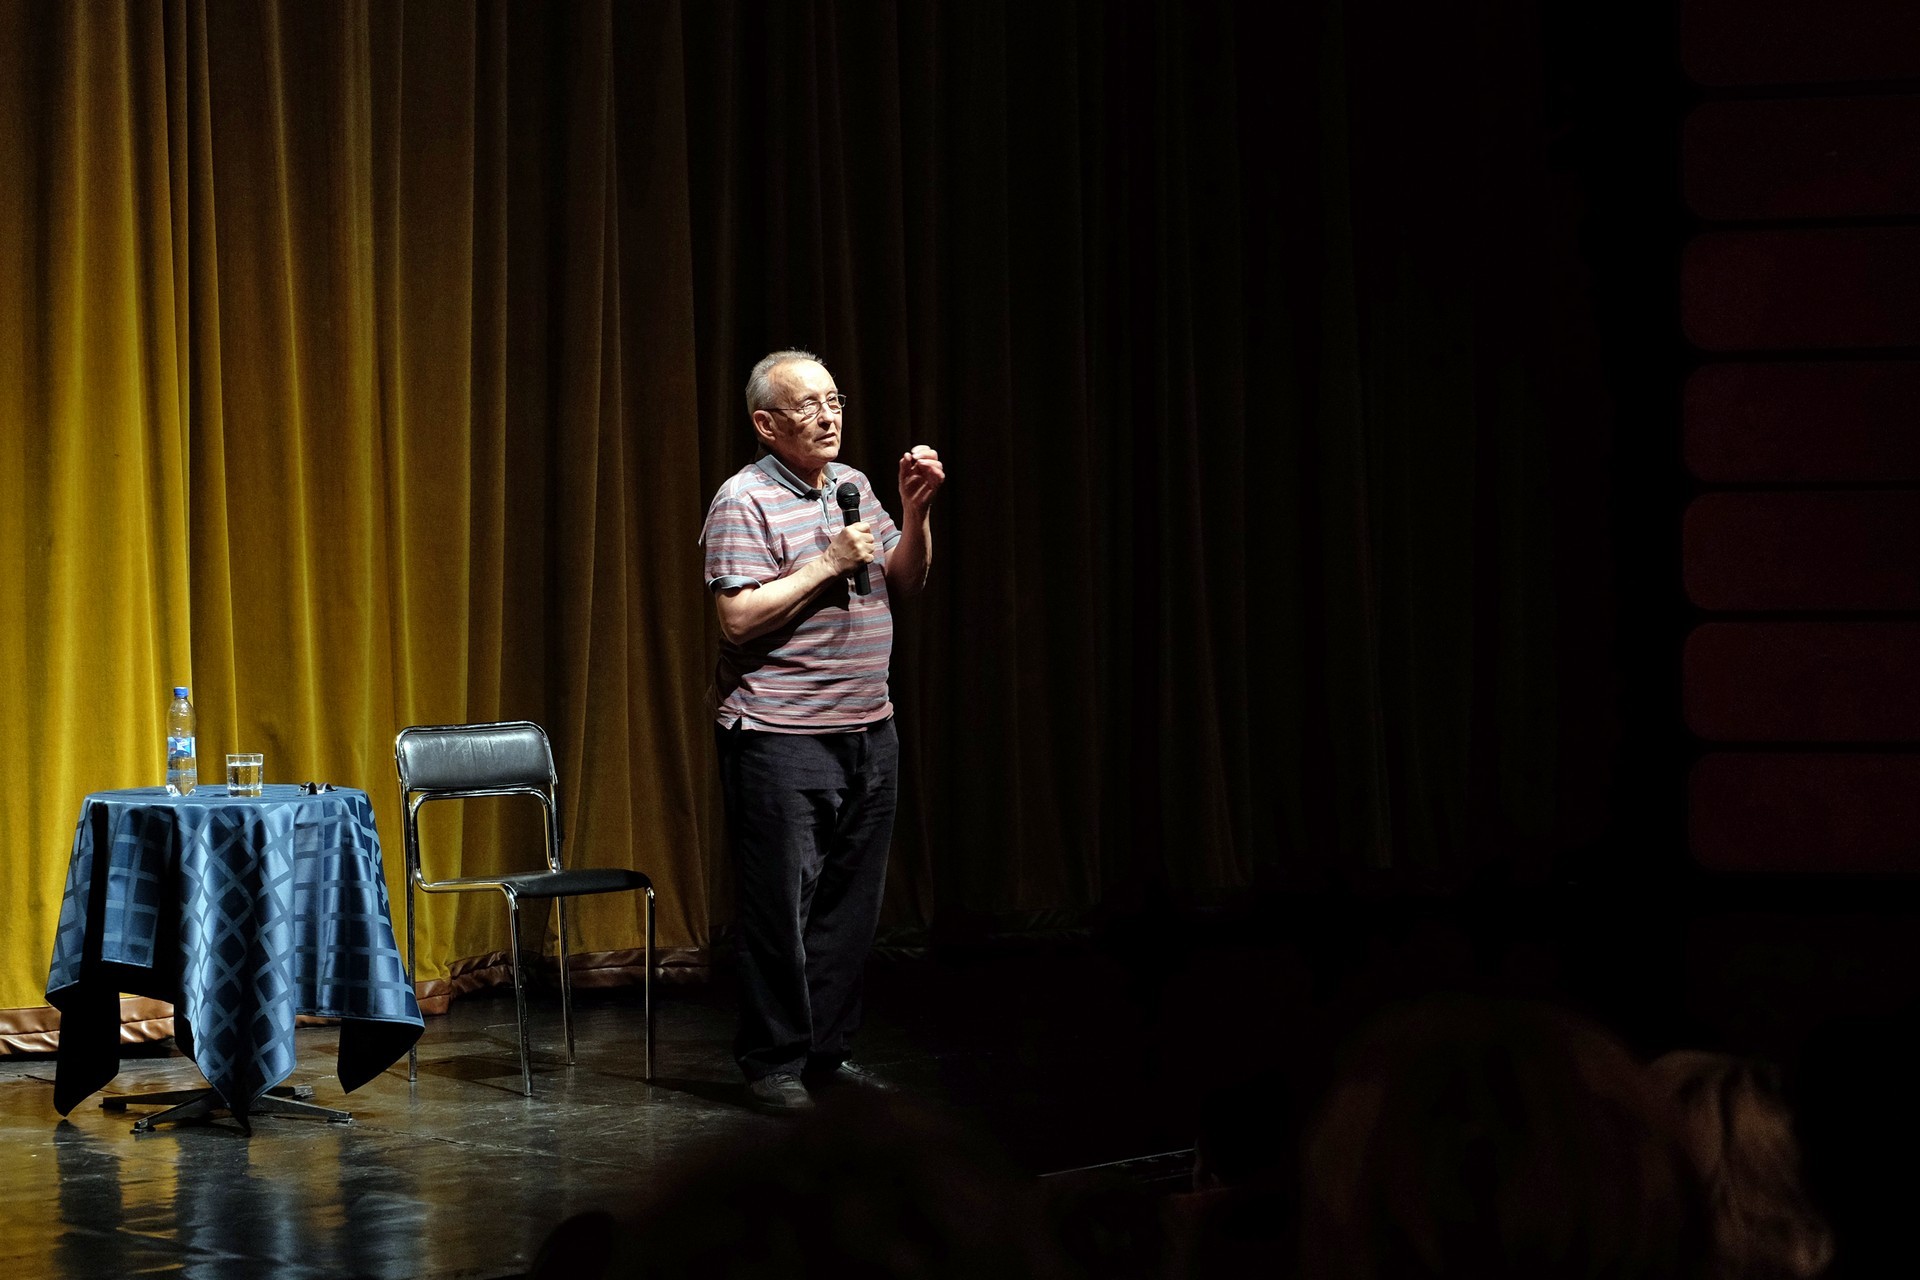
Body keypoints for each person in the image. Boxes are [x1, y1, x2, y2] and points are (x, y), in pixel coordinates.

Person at [699, 349, 944, 1114]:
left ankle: (826, 1055)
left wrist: (915, 513)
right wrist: (827, 562)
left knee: (850, 908)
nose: (829, 415)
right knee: (780, 909)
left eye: (834, 400)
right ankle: (773, 1063)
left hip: (869, 728)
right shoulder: (741, 500)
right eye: (808, 405)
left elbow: (905, 581)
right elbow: (737, 619)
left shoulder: (853, 486)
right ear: (766, 423)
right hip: (779, 735)